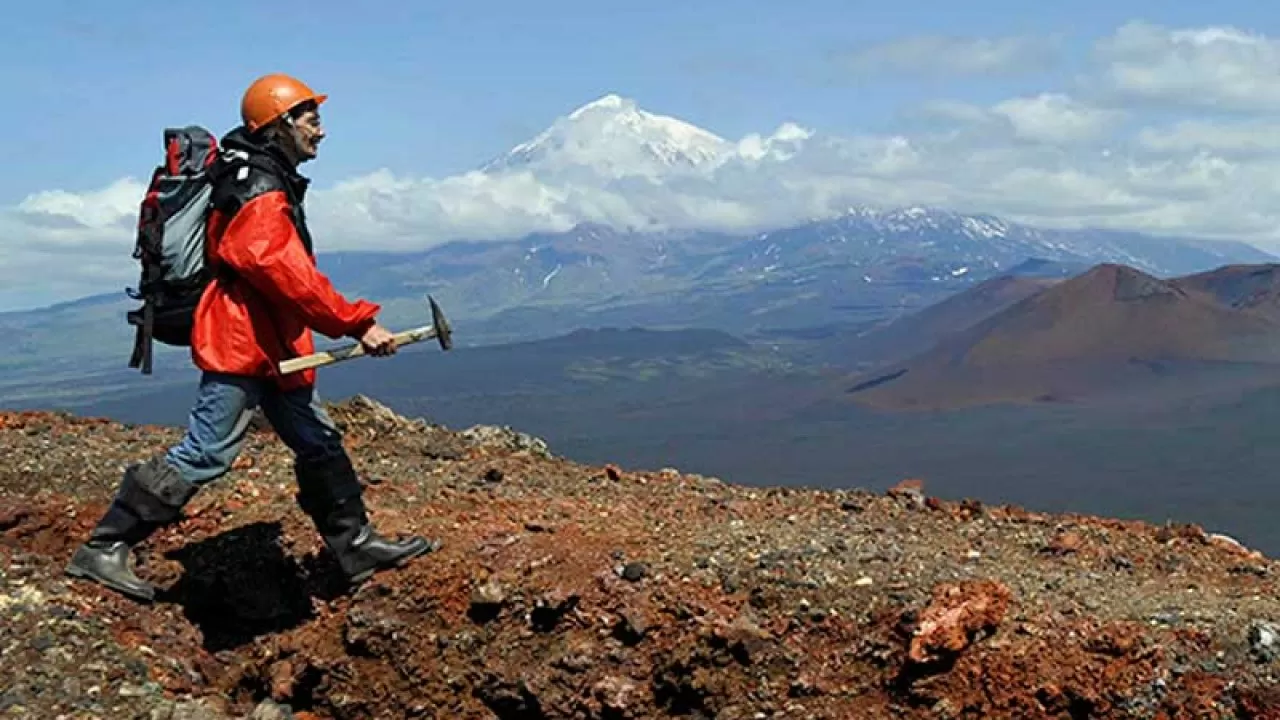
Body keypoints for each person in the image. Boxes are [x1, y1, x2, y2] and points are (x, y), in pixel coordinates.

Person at [64, 73, 438, 603]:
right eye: (311, 120)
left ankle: (355, 545)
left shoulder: (258, 176)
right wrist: (358, 322)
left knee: (319, 441)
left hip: (273, 345)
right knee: (205, 452)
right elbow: (283, 271)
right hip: (243, 344)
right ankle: (104, 546)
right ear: (281, 123)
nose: (321, 132)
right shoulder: (259, 189)